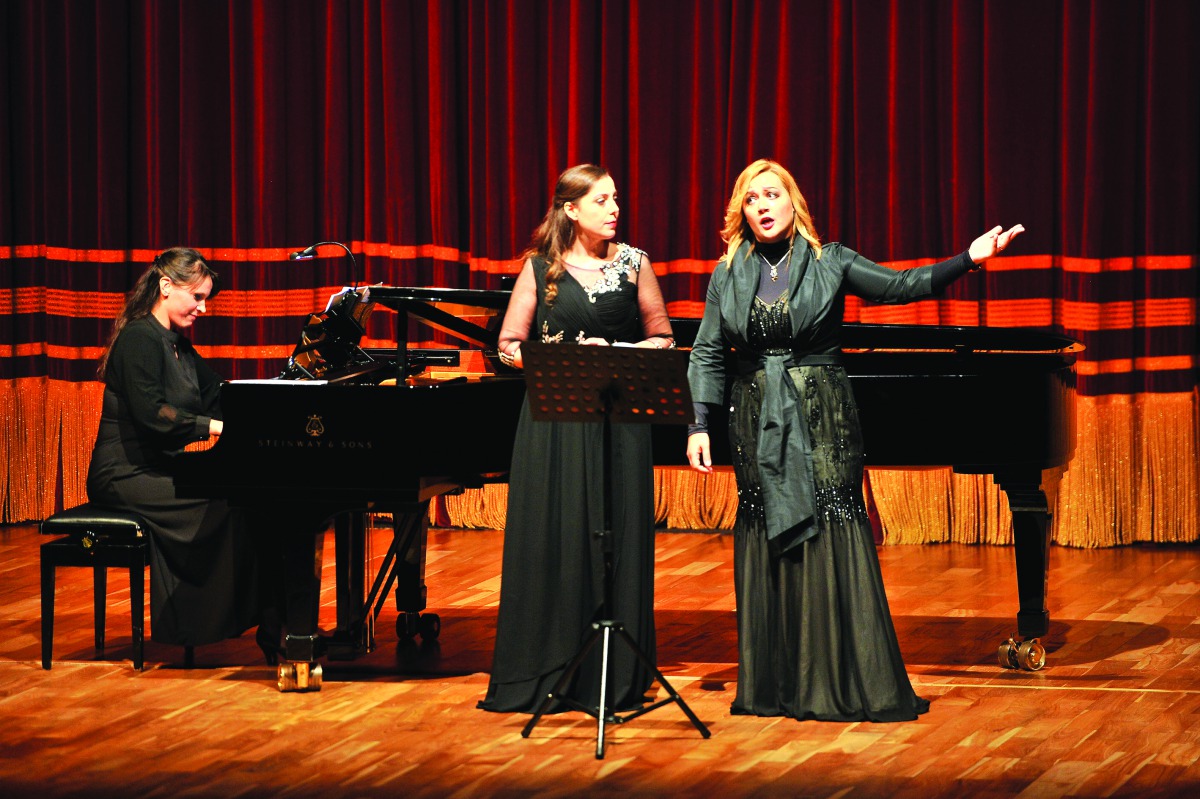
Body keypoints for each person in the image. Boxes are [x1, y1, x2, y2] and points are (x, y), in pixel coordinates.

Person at [686, 158, 1024, 722]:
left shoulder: (830, 260)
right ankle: (776, 684)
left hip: (822, 415)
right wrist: (699, 423)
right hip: (754, 419)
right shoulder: (728, 271)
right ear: (740, 212)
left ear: (794, 202)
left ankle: (839, 677)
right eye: (751, 198)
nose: (763, 205)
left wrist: (969, 258)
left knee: (830, 523)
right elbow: (706, 351)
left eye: (772, 194)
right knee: (763, 524)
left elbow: (900, 286)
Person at [479, 164, 675, 714]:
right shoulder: (539, 269)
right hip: (554, 424)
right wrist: (558, 360)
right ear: (572, 209)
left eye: (617, 198)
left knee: (616, 535)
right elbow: (508, 345)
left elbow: (662, 338)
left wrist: (613, 356)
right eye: (604, 200)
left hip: (620, 422)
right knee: (555, 533)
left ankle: (613, 676)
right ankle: (548, 665)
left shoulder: (635, 264)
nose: (616, 209)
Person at [87, 247, 267, 654]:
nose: (203, 308)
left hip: (157, 467)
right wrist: (213, 426)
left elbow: (219, 393)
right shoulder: (138, 338)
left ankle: (252, 620)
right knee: (220, 505)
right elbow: (154, 415)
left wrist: (266, 409)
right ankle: (193, 626)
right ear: (166, 287)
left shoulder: (177, 346)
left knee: (244, 498)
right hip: (124, 474)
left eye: (206, 299)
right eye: (197, 297)